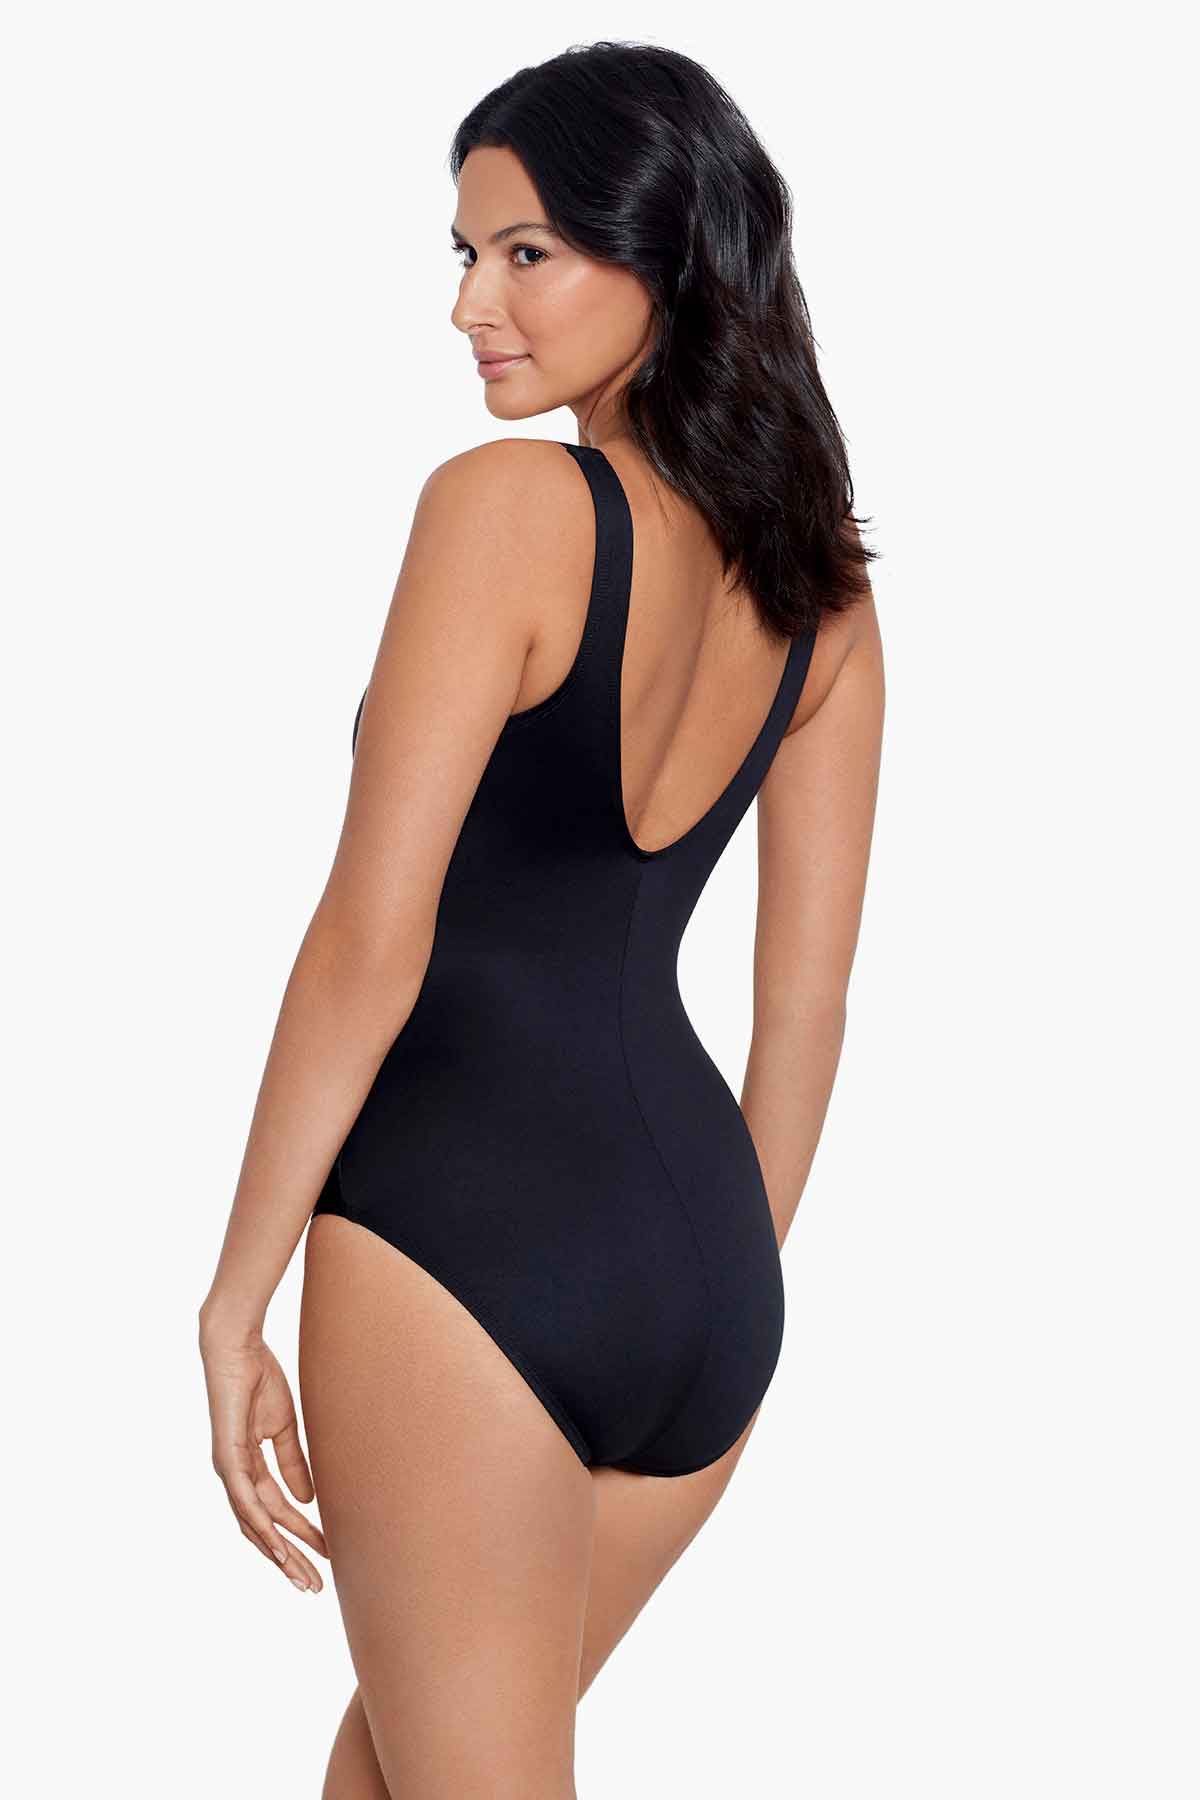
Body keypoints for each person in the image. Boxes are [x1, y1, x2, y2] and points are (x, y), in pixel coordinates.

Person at [199, 41, 884, 1799]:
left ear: (666, 260)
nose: (470, 307)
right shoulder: (823, 597)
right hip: (703, 1265)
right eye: (463, 254)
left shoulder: (502, 509)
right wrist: (702, 1273)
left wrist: (235, 1294)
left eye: (526, 254)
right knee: (393, 1776)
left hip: (466, 1243)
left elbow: (369, 942)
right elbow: (803, 1020)